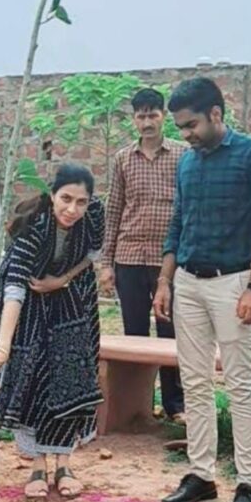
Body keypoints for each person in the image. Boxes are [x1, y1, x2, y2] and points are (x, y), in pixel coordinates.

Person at [154, 77, 251, 502]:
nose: (184, 134)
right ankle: (201, 474)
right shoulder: (187, 163)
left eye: (190, 125)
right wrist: (165, 281)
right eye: (180, 126)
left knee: (241, 383)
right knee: (194, 382)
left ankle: (250, 482)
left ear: (215, 114)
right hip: (188, 281)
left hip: (234, 283)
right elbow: (178, 222)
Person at [0, 163, 104, 500]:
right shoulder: (33, 228)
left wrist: (64, 279)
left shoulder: (94, 215)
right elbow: (15, 289)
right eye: (65, 198)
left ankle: (64, 464)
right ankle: (38, 464)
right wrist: (3, 345)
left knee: (71, 378)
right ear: (52, 194)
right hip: (31, 304)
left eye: (81, 201)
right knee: (34, 376)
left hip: (74, 299)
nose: (72, 209)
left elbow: (93, 254)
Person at [101, 87, 185, 422]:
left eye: (153, 114)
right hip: (130, 256)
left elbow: (187, 207)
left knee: (171, 331)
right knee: (135, 332)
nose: (147, 121)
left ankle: (175, 405)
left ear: (163, 116)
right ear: (133, 119)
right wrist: (106, 264)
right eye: (141, 115)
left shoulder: (181, 156)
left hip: (168, 259)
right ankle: (137, 404)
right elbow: (114, 210)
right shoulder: (124, 158)